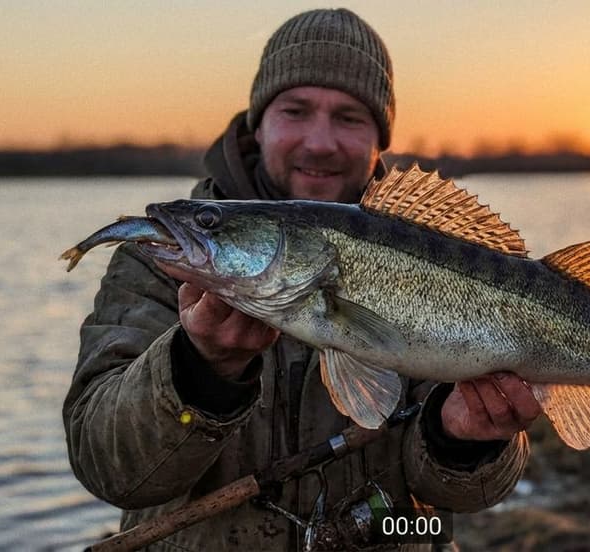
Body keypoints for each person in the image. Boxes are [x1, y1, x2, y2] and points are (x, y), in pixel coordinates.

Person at [63, 8, 540, 550]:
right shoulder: (159, 263)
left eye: (350, 117)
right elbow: (106, 468)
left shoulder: (438, 249)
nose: (320, 141)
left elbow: (454, 503)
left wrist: (461, 440)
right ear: (257, 123)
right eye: (295, 110)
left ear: (379, 138)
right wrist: (199, 372)